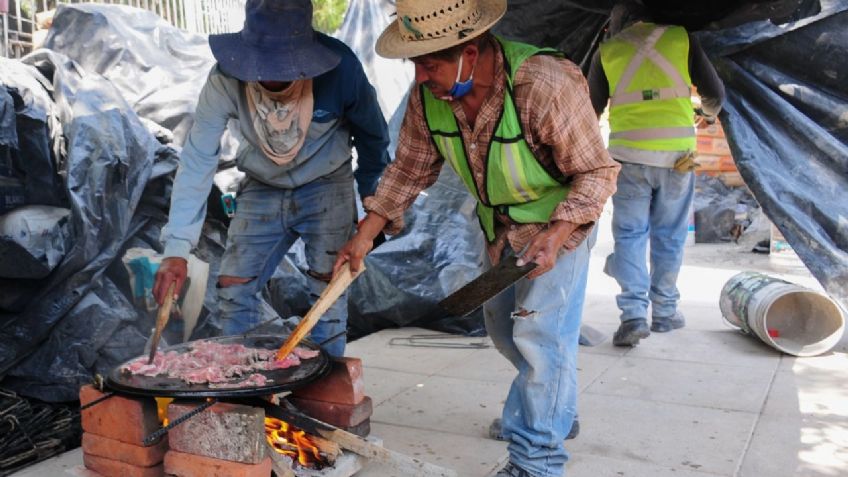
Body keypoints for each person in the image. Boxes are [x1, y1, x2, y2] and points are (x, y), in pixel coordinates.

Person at [334, 1, 619, 475]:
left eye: (430, 64)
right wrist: (364, 235)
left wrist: (556, 234)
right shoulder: (431, 97)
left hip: (559, 230)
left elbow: (596, 173)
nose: (421, 78)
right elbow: (408, 169)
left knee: (540, 338)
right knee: (505, 333)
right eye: (416, 65)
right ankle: (553, 410)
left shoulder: (544, 83)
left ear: (470, 51)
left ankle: (537, 460)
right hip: (500, 232)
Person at [152, 0, 391, 357]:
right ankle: (243, 386)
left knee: (327, 292)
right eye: (261, 66)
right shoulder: (224, 79)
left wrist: (373, 211)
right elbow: (198, 160)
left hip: (327, 183)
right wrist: (176, 250)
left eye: (283, 67)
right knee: (233, 288)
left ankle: (324, 395)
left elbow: (374, 138)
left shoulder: (341, 70)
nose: (270, 75)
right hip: (261, 185)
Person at [587, 1, 726, 347]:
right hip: (677, 156)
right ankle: (664, 312)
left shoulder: (607, 50)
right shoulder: (681, 38)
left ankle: (633, 315)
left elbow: (590, 109)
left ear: (617, 25)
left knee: (630, 235)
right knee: (670, 234)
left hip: (628, 157)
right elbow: (715, 95)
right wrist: (706, 115)